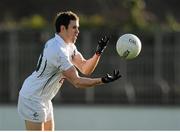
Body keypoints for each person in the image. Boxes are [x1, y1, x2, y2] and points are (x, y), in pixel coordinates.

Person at [17, 11, 121, 131]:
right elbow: (77, 82)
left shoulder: (69, 46)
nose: (77, 31)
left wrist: (98, 53)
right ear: (63, 28)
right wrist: (102, 80)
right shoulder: (57, 50)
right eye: (74, 27)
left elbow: (85, 68)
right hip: (32, 98)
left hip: (44, 99)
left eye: (78, 28)